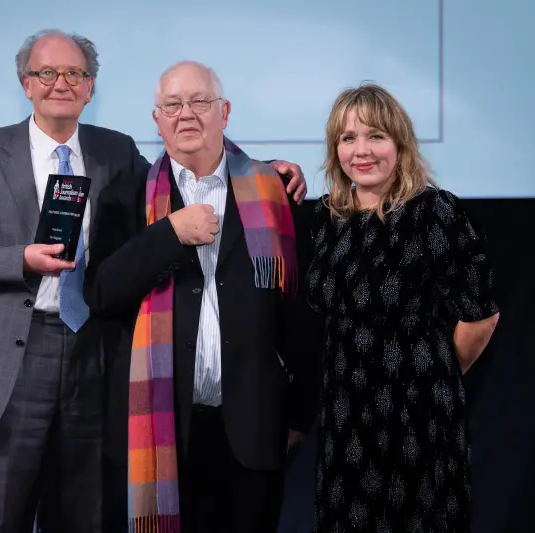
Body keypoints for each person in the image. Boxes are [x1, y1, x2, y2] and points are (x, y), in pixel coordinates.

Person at [0, 30, 308, 533]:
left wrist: (266, 171)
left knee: (84, 518)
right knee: (3, 520)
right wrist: (21, 258)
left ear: (90, 87)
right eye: (47, 73)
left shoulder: (115, 152)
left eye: (74, 74)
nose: (61, 83)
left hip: (93, 357)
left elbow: (190, 168)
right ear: (26, 83)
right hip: (12, 363)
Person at [84, 60, 320, 533]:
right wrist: (170, 233)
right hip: (163, 426)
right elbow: (103, 294)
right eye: (172, 104)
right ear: (157, 120)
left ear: (225, 111)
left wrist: (298, 415)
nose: (185, 113)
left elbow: (302, 314)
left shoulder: (274, 189)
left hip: (252, 429)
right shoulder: (123, 196)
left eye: (199, 102)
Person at [306, 83, 500, 532]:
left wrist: (433, 376)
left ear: (399, 143)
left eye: (376, 136)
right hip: (344, 423)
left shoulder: (435, 213)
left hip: (418, 422)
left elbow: (481, 316)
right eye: (348, 138)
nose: (362, 150)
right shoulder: (327, 219)